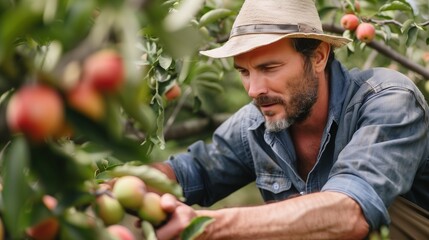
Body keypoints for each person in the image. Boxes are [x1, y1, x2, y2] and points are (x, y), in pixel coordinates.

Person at [151, 0, 429, 239]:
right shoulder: (256, 122)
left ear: (318, 57)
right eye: (244, 72)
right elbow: (196, 171)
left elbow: (350, 213)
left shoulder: (389, 100)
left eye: (269, 68)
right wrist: (128, 182)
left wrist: (209, 227)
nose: (253, 89)